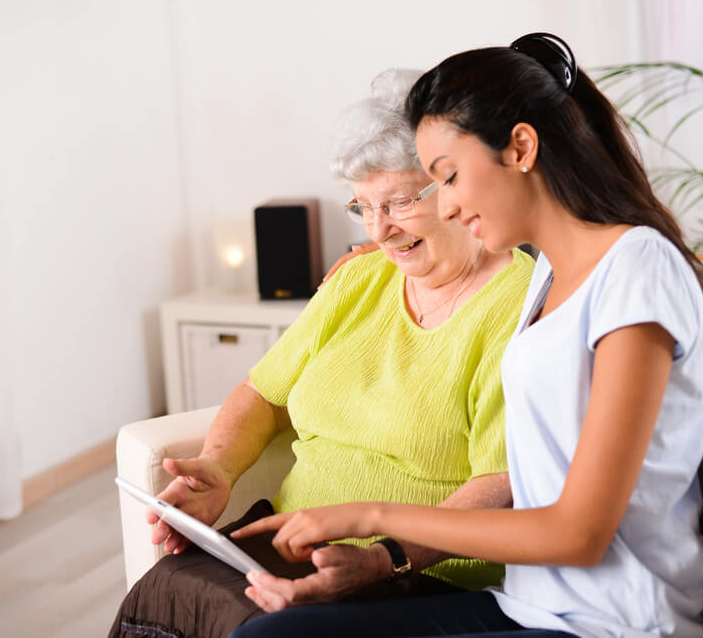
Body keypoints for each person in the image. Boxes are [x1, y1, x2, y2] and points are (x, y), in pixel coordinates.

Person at [227, 33, 703, 638]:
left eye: (448, 178)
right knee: (267, 635)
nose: (450, 206)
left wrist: (369, 516)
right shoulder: (549, 276)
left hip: (614, 624)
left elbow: (581, 534)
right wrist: (381, 559)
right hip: (525, 603)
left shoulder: (639, 270)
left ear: (521, 147)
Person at [107, 68, 535, 638]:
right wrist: (218, 467)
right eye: (363, 207)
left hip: (421, 574)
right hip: (289, 540)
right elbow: (265, 392)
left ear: (453, 186)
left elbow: (501, 482)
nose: (380, 231)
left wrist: (386, 553)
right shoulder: (358, 279)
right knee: (170, 589)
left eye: (401, 202)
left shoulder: (518, 306)